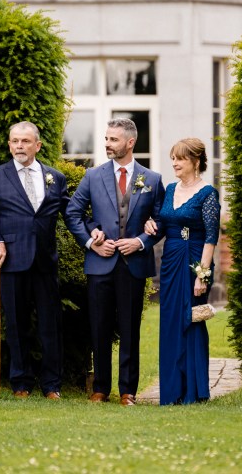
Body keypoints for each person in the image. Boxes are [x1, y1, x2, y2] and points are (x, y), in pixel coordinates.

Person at [65, 118, 165, 405]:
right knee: (99, 326)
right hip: (100, 264)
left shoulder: (153, 179)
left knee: (130, 327)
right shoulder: (93, 176)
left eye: (113, 139)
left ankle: (128, 391)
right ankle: (100, 388)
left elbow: (161, 220)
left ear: (130, 143)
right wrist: (91, 238)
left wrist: (141, 242)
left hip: (133, 266)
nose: (107, 144)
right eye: (106, 138)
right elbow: (73, 213)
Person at [0, 121, 72, 399]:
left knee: (50, 324)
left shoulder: (55, 177)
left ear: (37, 145)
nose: (19, 146)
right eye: (15, 141)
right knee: (16, 325)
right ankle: (21, 383)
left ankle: (52, 385)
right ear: (9, 144)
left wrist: (96, 232)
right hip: (12, 261)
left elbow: (70, 213)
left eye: (25, 141)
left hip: (45, 261)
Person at [145, 138, 220, 405]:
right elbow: (164, 223)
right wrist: (151, 225)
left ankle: (194, 390)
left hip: (194, 260)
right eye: (173, 158)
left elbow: (211, 237)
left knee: (192, 319)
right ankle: (172, 390)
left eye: (180, 159)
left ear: (196, 161)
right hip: (171, 259)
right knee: (171, 322)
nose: (174, 163)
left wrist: (202, 274)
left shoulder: (208, 193)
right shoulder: (171, 189)